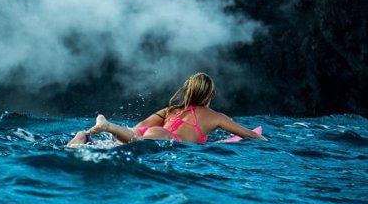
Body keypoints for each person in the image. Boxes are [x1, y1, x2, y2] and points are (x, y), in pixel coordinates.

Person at [67, 72, 266, 147]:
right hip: (169, 139)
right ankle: (107, 126)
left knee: (129, 139)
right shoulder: (215, 117)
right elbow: (248, 134)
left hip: (155, 132)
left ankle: (83, 137)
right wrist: (265, 140)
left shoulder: (172, 110)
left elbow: (140, 127)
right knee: (134, 143)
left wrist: (122, 136)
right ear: (211, 95)